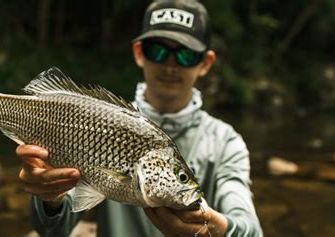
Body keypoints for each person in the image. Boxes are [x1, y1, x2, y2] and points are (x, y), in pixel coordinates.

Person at [17, 0, 263, 236]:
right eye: (157, 51)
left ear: (205, 62)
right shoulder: (98, 119)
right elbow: (51, 230)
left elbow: (250, 228)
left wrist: (221, 230)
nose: (170, 65)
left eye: (185, 55)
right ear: (138, 52)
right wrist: (50, 199)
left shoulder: (226, 142)